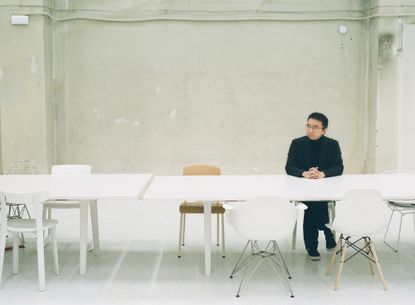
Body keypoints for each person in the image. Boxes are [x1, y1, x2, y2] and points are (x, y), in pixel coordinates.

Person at [285, 112, 344, 261]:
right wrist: (304, 173)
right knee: (313, 204)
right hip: (302, 190)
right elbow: (289, 167)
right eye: (308, 126)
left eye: (315, 127)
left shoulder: (332, 144)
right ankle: (326, 234)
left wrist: (322, 174)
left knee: (315, 205)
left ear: (324, 130)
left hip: (325, 189)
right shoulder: (297, 143)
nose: (310, 130)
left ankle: (312, 246)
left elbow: (339, 167)